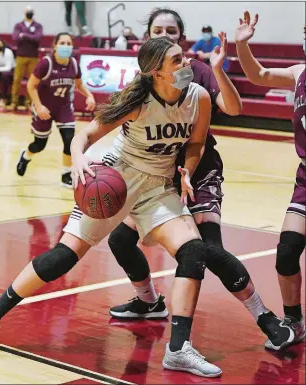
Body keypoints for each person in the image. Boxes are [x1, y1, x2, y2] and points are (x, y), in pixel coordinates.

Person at [0, 37, 224, 378]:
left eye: (184, 57)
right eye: (177, 60)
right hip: (117, 179)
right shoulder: (137, 101)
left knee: (193, 252)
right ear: (155, 72)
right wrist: (77, 160)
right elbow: (84, 135)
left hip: (158, 186)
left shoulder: (199, 97)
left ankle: (178, 348)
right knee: (64, 256)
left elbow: (196, 142)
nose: (187, 63)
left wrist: (187, 172)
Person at [107, 7, 294, 351]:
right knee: (119, 241)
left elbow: (234, 108)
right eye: (158, 30)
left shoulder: (196, 71)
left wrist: (220, 69)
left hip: (200, 170)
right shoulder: (139, 84)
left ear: (182, 37)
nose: (165, 35)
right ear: (148, 38)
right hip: (157, 178)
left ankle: (265, 317)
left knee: (209, 250)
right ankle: (148, 302)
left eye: (172, 31)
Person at [235, 11, 306, 347]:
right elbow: (259, 75)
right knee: (287, 252)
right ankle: (295, 320)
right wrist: (241, 45)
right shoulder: (299, 72)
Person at [16, 33, 95, 188]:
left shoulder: (73, 63)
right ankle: (26, 156)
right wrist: (38, 106)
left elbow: (79, 85)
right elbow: (31, 86)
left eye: (68, 43)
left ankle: (66, 173)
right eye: (62, 43)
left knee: (69, 139)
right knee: (39, 145)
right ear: (55, 45)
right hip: (44, 106)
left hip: (64, 107)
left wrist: (89, 96)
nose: (66, 46)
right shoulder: (46, 63)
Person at [10, 5, 43, 111]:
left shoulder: (38, 26)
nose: (29, 12)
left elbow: (38, 38)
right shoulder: (18, 25)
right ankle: (14, 102)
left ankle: (29, 103)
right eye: (27, 11)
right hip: (20, 56)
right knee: (16, 80)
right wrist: (30, 35)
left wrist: (24, 35)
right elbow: (15, 38)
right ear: (24, 13)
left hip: (33, 57)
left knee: (32, 81)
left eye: (30, 11)